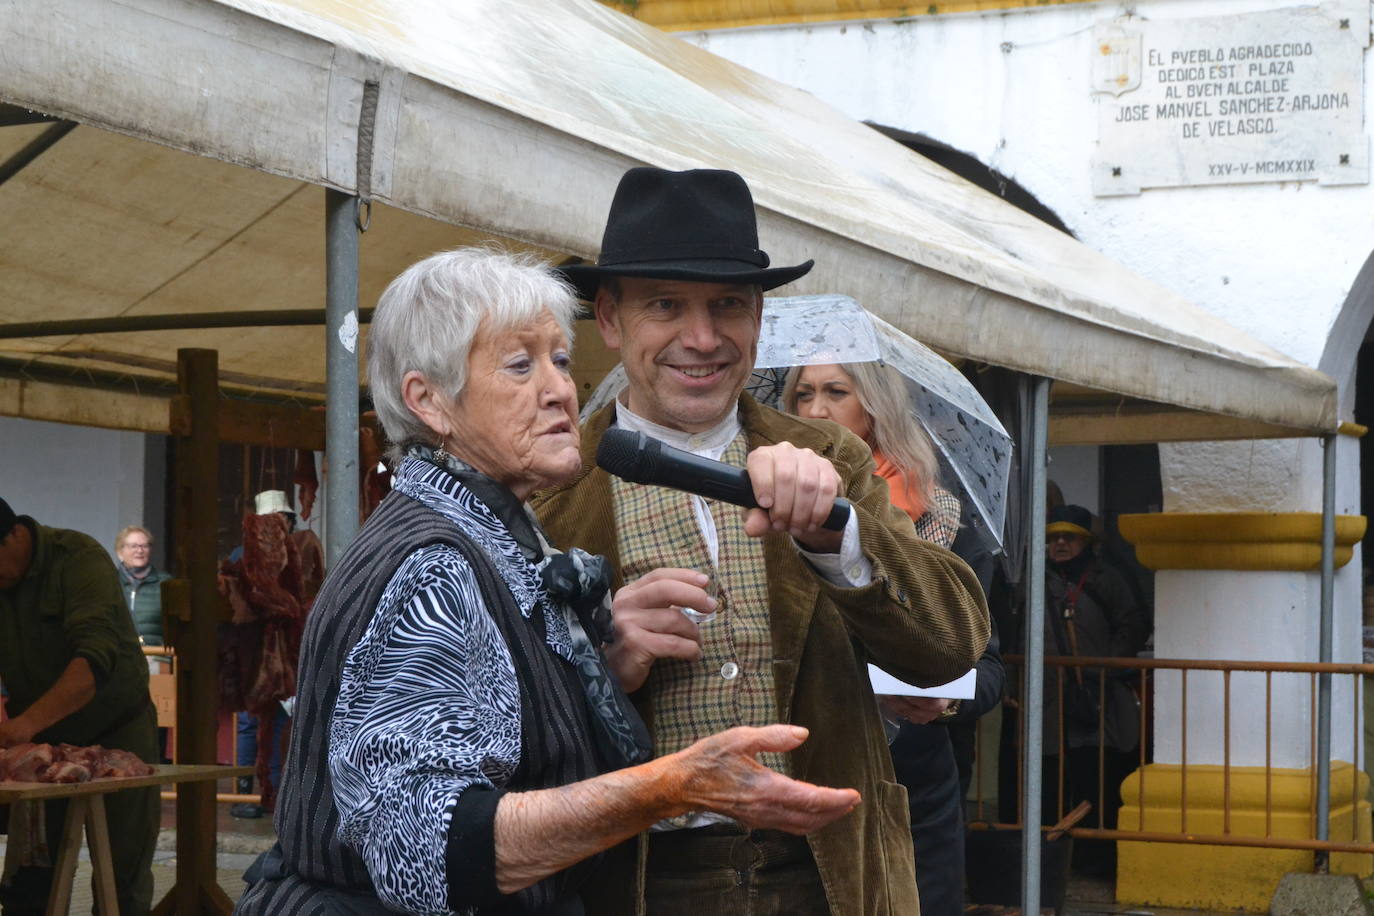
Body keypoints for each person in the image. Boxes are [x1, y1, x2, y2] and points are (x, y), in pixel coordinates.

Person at [234, 248, 860, 915]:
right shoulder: (433, 564)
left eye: (560, 359)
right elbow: (420, 846)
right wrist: (673, 787)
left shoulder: (494, 534)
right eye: (519, 364)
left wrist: (602, 670)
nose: (561, 388)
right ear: (430, 401)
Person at [534, 167, 990, 915]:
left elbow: (952, 647)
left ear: (759, 317)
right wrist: (600, 663)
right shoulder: (550, 488)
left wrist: (838, 537)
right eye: (666, 306)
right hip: (637, 882)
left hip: (833, 877)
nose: (703, 337)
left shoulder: (834, 459)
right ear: (611, 320)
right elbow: (497, 730)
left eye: (728, 307)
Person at [785, 360, 1006, 916]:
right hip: (795, 776)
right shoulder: (751, 514)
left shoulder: (943, 523)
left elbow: (991, 670)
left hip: (910, 784)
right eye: (802, 394)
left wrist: (944, 695)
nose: (815, 411)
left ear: (876, 408)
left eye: (836, 392)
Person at [0, 498, 160, 914]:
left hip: (117, 729)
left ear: (15, 533)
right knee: (32, 874)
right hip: (40, 744)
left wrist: (24, 725)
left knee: (122, 875)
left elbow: (94, 661)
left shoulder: (78, 559)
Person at [1041, 503, 1149, 877]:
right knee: (1051, 784)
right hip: (1049, 703)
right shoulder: (1037, 580)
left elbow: (1133, 625)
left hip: (1098, 699)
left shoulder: (1108, 579)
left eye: (1069, 537)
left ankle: (1096, 861)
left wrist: (1104, 665)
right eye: (1054, 537)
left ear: (1086, 542)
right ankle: (1054, 863)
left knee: (1097, 781)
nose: (1061, 544)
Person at [230, 490, 294, 819]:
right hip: (255, 650)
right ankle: (246, 794)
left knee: (281, 722)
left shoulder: (295, 552)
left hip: (284, 650)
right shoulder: (243, 556)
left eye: (286, 519)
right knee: (250, 723)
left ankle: (275, 794)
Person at [114, 525, 171, 647]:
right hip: (119, 656)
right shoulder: (109, 582)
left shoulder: (165, 583)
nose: (139, 551)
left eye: (144, 546)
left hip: (156, 656)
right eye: (133, 546)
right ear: (120, 552)